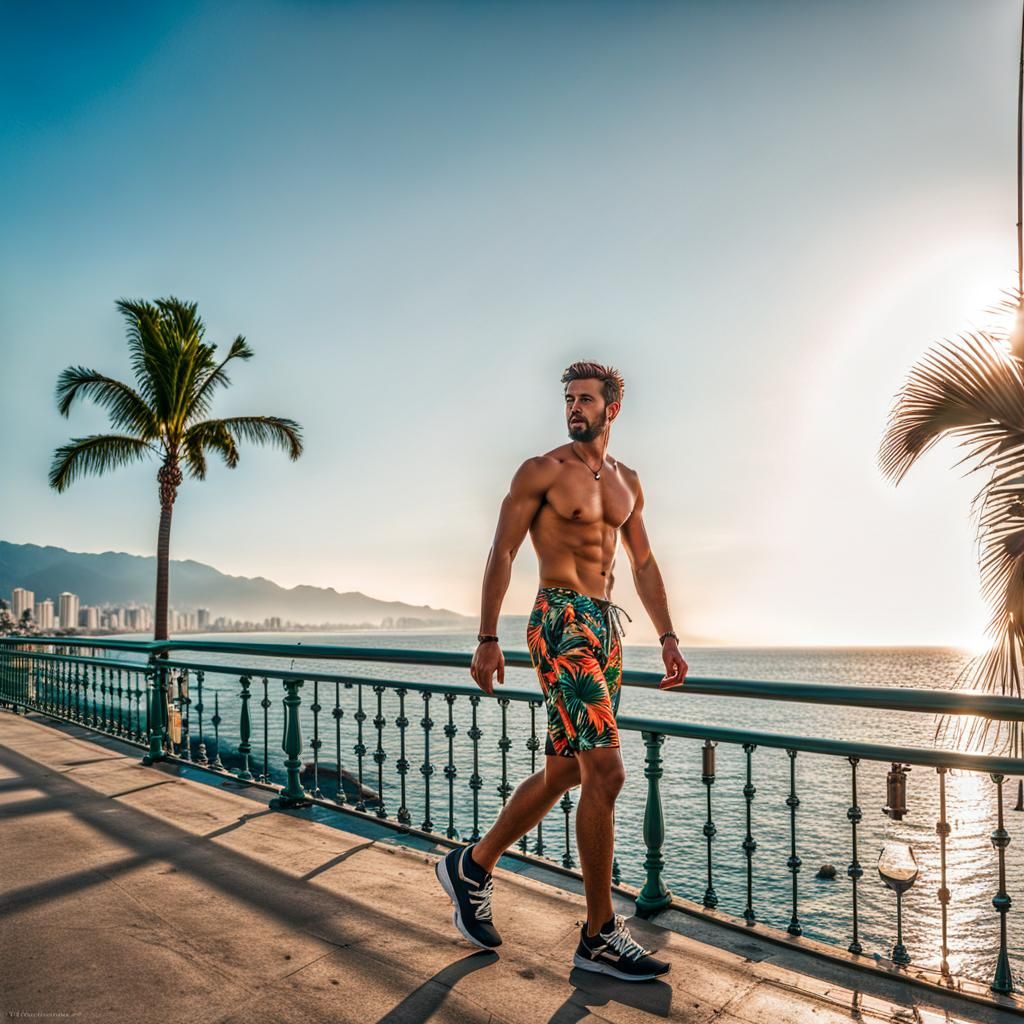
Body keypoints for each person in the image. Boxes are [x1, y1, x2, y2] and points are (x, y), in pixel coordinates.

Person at [435, 360, 688, 982]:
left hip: (606, 629)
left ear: (612, 408)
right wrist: (487, 636)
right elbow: (502, 551)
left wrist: (668, 634)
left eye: (585, 399)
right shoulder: (541, 471)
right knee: (607, 772)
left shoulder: (628, 482)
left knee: (566, 773)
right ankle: (599, 934)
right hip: (560, 622)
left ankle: (472, 865)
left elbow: (645, 564)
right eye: (568, 398)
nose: (574, 407)